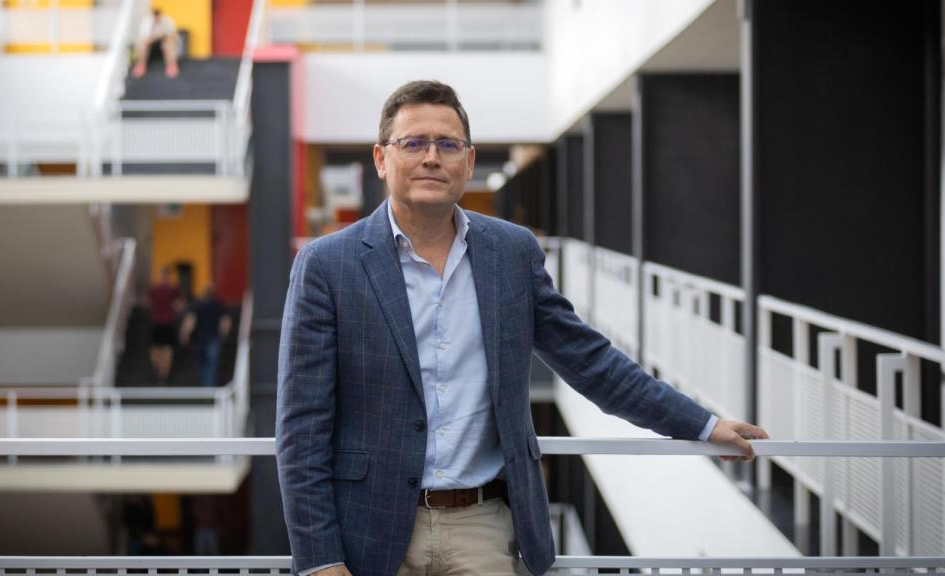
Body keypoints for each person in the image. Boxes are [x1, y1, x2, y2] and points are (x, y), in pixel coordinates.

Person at [276, 80, 769, 576]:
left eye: (448, 145)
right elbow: (302, 425)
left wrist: (701, 425)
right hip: (368, 529)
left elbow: (590, 360)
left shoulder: (511, 253)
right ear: (382, 159)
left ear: (468, 163)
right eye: (414, 143)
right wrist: (320, 558)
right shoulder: (327, 265)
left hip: (485, 526)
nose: (432, 158)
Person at [180, 285, 231, 387]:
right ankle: (209, 387)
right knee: (212, 364)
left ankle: (205, 385)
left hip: (199, 339)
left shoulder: (197, 305)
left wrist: (185, 334)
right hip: (213, 338)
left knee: (202, 362)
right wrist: (224, 335)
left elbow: (190, 321)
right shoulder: (219, 305)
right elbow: (225, 322)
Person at [148, 266, 182, 384]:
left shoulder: (153, 289)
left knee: (155, 348)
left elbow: (149, 302)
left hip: (156, 322)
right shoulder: (173, 289)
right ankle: (164, 373)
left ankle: (157, 367)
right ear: (168, 276)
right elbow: (178, 305)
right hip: (168, 322)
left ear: (160, 275)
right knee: (168, 349)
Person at [131, 8, 180, 79]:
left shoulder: (167, 21)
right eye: (154, 17)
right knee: (142, 44)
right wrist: (155, 37)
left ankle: (172, 66)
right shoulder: (146, 22)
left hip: (165, 40)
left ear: (161, 16)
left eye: (158, 17)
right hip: (151, 42)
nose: (156, 19)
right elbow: (144, 38)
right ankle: (140, 65)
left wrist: (163, 36)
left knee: (169, 44)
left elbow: (173, 35)